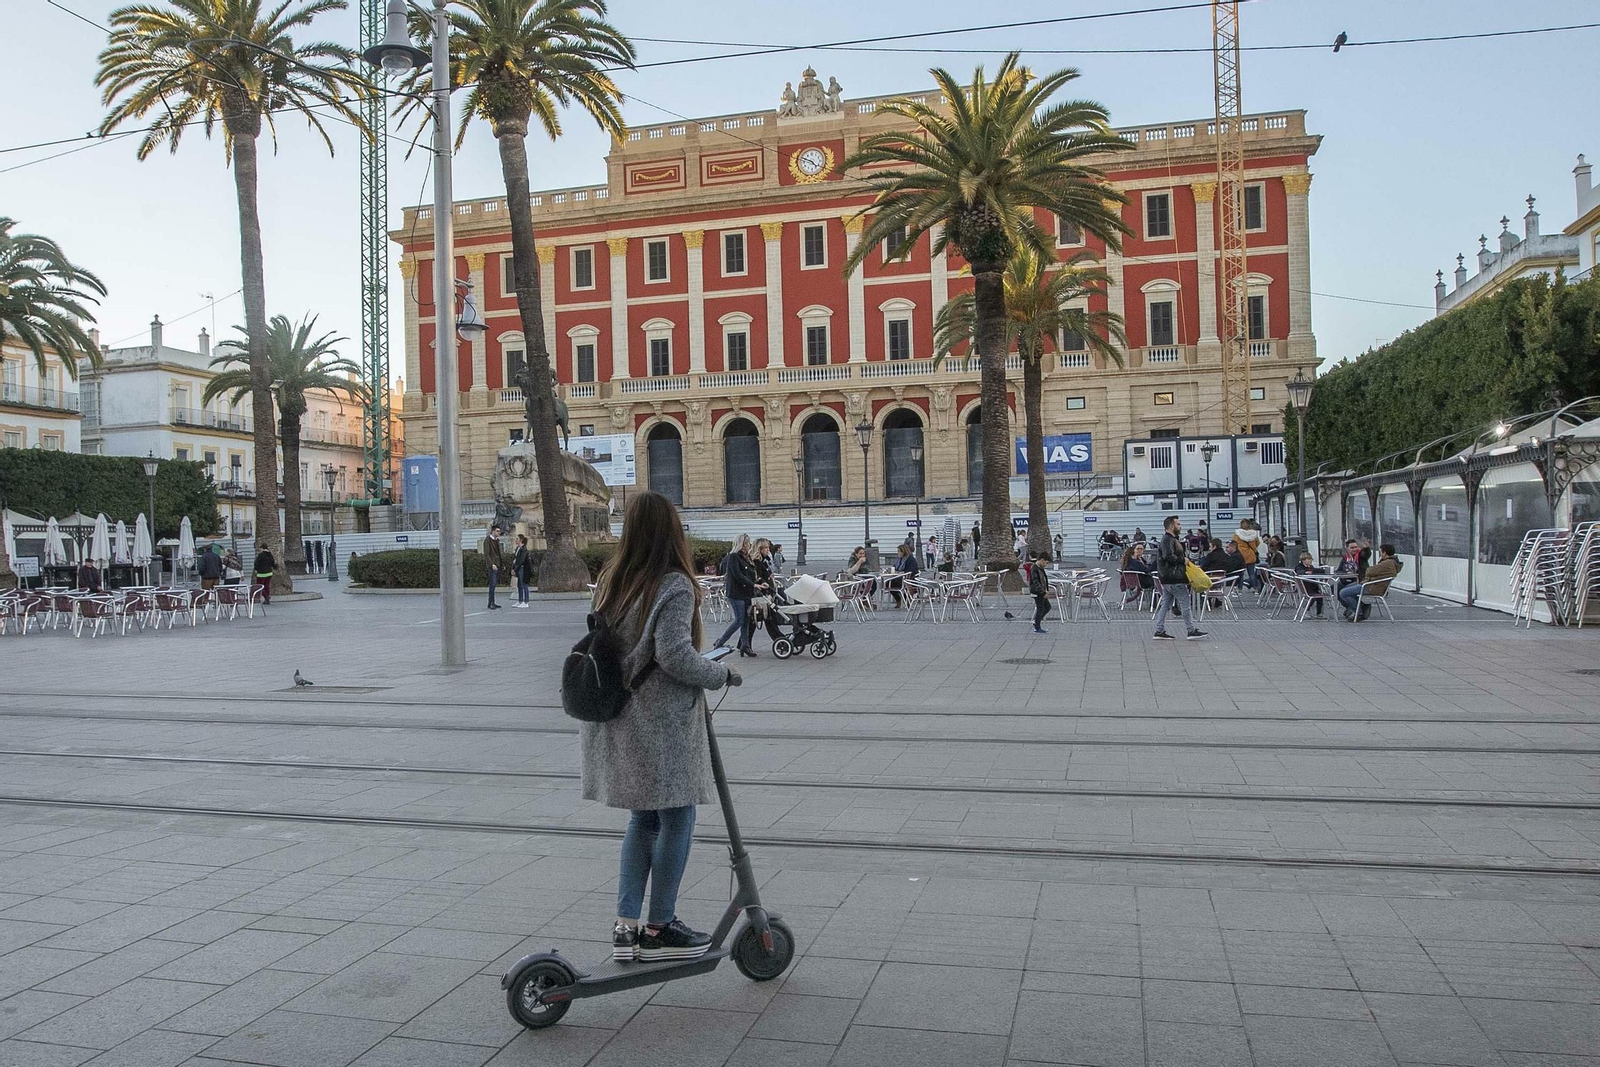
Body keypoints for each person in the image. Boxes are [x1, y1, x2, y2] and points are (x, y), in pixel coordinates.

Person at [582, 490, 740, 964]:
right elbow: (673, 654)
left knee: (642, 818)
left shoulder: (613, 579)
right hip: (661, 722)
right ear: (672, 530)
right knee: (678, 816)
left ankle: (625, 925)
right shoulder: (673, 584)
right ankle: (660, 925)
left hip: (621, 716)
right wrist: (719, 673)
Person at [1153, 514, 1206, 640]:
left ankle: (1159, 630)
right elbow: (1168, 556)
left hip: (1167, 578)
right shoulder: (1168, 540)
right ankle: (1191, 630)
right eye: (1178, 524)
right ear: (1171, 526)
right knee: (1185, 604)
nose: (1180, 526)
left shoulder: (1169, 539)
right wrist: (1183, 560)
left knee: (1165, 604)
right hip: (1175, 577)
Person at [714, 535, 757, 656]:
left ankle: (745, 645)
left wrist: (758, 582)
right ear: (742, 545)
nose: (749, 546)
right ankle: (720, 641)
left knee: (746, 620)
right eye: (748, 544)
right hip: (736, 593)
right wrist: (753, 585)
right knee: (739, 620)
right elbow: (738, 575)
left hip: (746, 593)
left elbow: (750, 574)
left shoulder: (746, 558)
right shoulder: (733, 557)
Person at [1338, 543, 1401, 621]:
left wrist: (1366, 548)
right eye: (1352, 547)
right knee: (1342, 587)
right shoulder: (1390, 562)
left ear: (1384, 553)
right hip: (1371, 584)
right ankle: (1361, 607)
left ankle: (1359, 612)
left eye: (1380, 551)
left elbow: (1369, 571)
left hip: (1372, 586)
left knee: (1343, 592)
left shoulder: (1387, 563)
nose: (1380, 553)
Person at [1294, 551, 1327, 618]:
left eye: (1311, 559)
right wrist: (1306, 572)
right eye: (1308, 559)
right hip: (1305, 586)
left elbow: (1315, 571)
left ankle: (1319, 613)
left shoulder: (1311, 567)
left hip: (1313, 586)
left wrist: (1323, 570)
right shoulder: (1299, 567)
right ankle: (1306, 610)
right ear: (1303, 560)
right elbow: (1300, 572)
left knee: (1320, 597)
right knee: (1312, 597)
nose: (1310, 561)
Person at [1230, 518, 1261, 589]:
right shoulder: (1254, 534)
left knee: (1240, 573)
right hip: (1250, 555)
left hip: (1241, 556)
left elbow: (1234, 544)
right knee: (1251, 573)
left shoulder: (1237, 535)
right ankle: (1256, 588)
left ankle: (1240, 589)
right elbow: (1257, 544)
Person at [887, 542, 920, 607]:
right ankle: (899, 599)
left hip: (909, 579)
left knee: (892, 583)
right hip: (900, 577)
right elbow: (895, 567)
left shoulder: (910, 559)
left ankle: (905, 598)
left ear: (903, 552)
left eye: (899, 551)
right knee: (888, 583)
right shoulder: (899, 560)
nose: (898, 553)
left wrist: (901, 573)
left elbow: (911, 570)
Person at [1026, 552, 1052, 634]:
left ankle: (1037, 621)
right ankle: (1037, 626)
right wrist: (1043, 592)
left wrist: (1046, 589)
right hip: (1037, 592)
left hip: (1041, 591)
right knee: (1040, 608)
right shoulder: (1034, 568)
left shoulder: (1040, 568)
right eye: (1046, 563)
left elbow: (1044, 580)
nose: (1046, 565)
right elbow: (1036, 582)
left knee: (1047, 607)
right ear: (1042, 560)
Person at [482, 524, 505, 610]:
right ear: (493, 531)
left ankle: (492, 602)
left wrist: (501, 565)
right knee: (492, 584)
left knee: (494, 584)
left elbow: (499, 554)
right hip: (492, 566)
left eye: (499, 531)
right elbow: (487, 554)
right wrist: (492, 564)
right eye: (497, 531)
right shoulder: (488, 540)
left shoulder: (497, 540)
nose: (499, 533)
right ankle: (491, 603)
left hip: (497, 564)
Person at [512, 533, 532, 607]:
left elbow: (521, 560)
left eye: (517, 539)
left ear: (521, 540)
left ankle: (526, 601)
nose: (516, 540)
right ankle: (520, 600)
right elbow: (515, 559)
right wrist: (513, 568)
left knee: (524, 584)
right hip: (518, 568)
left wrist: (515, 569)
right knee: (519, 585)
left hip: (523, 568)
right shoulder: (518, 548)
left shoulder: (524, 549)